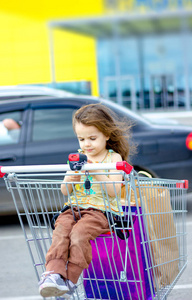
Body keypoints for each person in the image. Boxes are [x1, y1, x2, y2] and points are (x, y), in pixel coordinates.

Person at [38, 103, 134, 298]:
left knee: (79, 233)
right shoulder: (78, 158)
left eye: (92, 138)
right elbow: (65, 191)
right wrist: (70, 178)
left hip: (101, 211)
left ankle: (70, 278)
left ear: (106, 135)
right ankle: (53, 274)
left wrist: (95, 170)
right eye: (81, 139)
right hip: (73, 208)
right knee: (62, 230)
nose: (86, 144)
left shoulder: (112, 158)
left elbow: (114, 191)